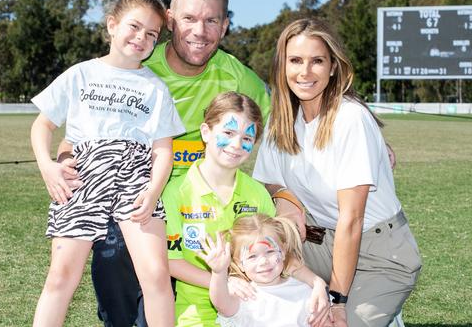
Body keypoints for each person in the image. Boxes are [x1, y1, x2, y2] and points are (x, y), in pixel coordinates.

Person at [56, 0, 271, 326]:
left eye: (211, 20)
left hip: (202, 210)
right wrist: (65, 160)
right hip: (138, 205)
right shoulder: (136, 68)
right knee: (112, 256)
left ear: (226, 25)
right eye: (188, 18)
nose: (199, 32)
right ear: (170, 20)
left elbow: (297, 107)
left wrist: (369, 126)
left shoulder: (239, 78)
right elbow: (77, 135)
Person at [253, 18, 422, 327]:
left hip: (378, 251)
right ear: (282, 66)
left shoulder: (350, 119)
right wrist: (285, 197)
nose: (305, 72)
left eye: (317, 61)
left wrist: (339, 301)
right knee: (258, 276)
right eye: (295, 61)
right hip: (318, 244)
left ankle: (379, 305)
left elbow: (351, 220)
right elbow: (267, 180)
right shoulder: (281, 122)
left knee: (337, 323)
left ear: (332, 67)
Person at [30, 0, 183, 327]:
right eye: (134, 26)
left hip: (135, 178)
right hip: (83, 177)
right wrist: (48, 167)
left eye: (152, 35)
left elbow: (163, 150)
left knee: (156, 277)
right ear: (112, 25)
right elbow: (42, 125)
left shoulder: (156, 88)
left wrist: (153, 191)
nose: (141, 38)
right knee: (60, 277)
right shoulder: (80, 74)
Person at [162, 92, 329, 327]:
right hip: (197, 316)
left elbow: (279, 254)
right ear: (206, 132)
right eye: (228, 133)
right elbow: (170, 262)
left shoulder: (257, 193)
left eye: (247, 138)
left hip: (253, 314)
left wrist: (317, 283)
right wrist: (223, 280)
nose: (236, 145)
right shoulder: (176, 193)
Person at [201, 214, 329, 327]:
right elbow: (221, 303)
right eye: (252, 256)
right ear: (239, 264)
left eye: (270, 251)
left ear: (283, 251)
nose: (263, 262)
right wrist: (219, 272)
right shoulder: (242, 295)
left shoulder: (306, 292)